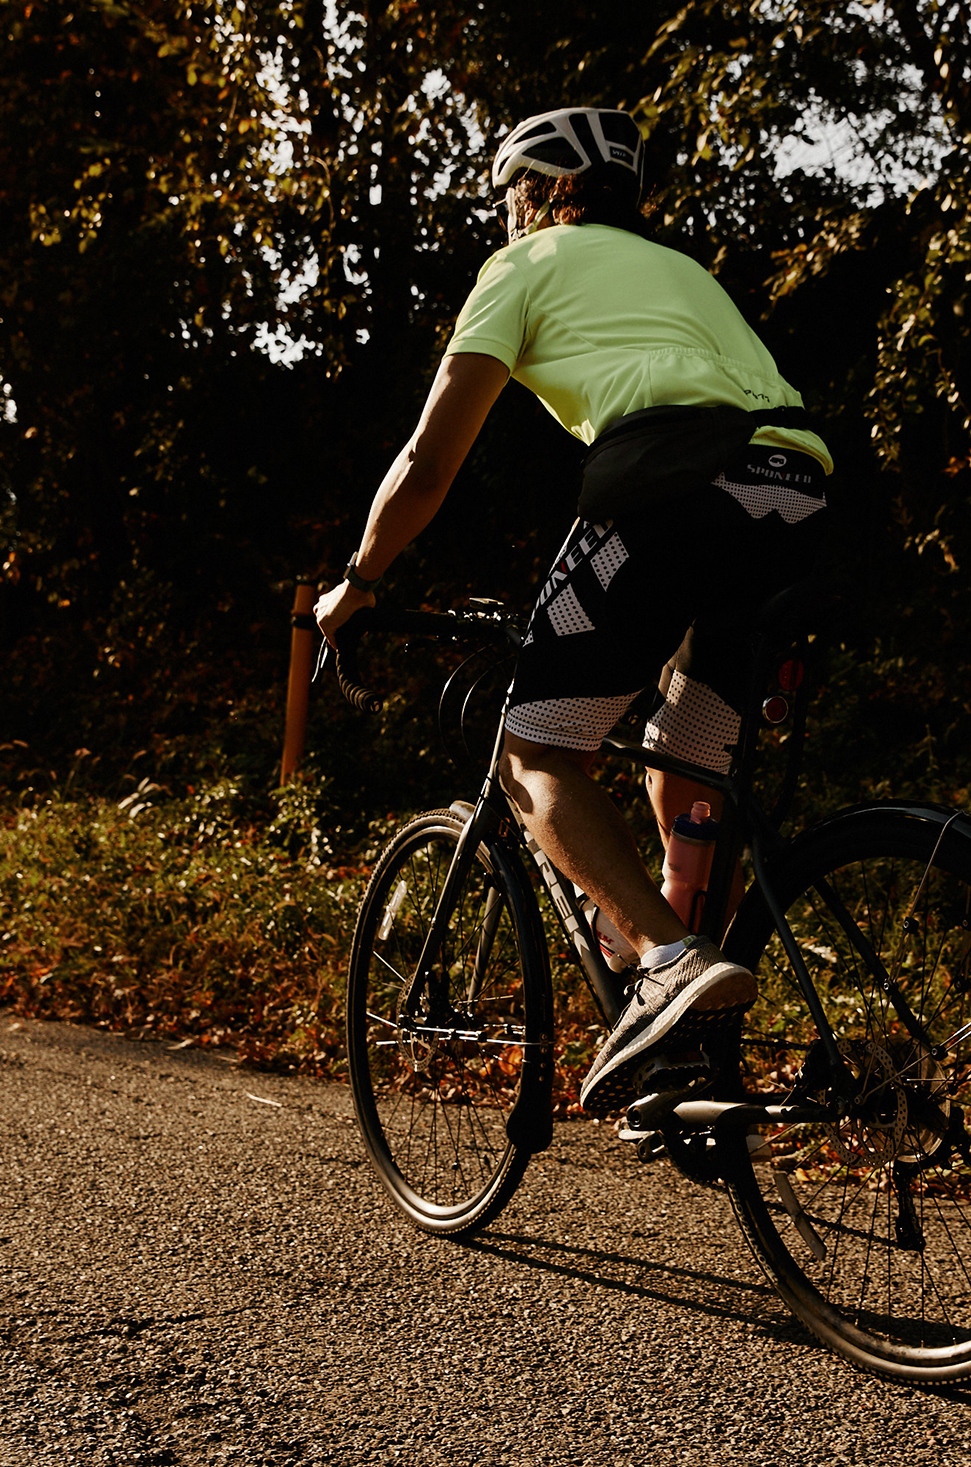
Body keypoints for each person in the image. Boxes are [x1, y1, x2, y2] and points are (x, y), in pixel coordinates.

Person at [313, 106, 833, 1116]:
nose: (507, 217)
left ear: (541, 192)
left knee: (536, 754)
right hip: (797, 493)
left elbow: (427, 463)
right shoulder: (680, 269)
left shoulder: (526, 264)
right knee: (688, 755)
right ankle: (695, 1055)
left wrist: (362, 580)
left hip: (674, 487)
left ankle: (666, 962)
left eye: (512, 197)